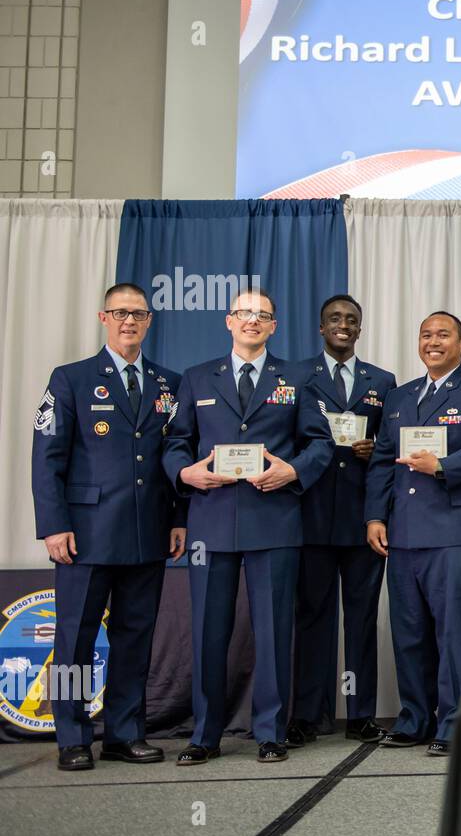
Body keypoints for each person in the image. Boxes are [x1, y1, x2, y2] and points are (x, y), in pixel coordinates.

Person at [163, 288, 334, 764]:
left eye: (263, 315)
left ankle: (270, 732)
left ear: (274, 326)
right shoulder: (197, 379)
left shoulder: (298, 378)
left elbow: (319, 443)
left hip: (274, 519)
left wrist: (294, 470)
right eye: (244, 314)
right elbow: (177, 440)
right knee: (208, 632)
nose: (252, 321)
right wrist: (185, 472)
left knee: (275, 631)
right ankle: (204, 735)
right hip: (212, 520)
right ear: (228, 321)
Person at [31, 283, 186, 771]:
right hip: (87, 534)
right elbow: (46, 459)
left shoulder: (169, 383)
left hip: (148, 532)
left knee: (135, 638)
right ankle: (71, 736)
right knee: (73, 640)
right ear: (103, 317)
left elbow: (177, 456)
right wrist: (54, 525)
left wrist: (178, 518)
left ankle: (124, 732)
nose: (128, 322)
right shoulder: (70, 379)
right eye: (120, 313)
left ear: (149, 321)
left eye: (137, 314)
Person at [365, 312, 461, 756]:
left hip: (458, 532)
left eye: (442, 334)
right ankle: (414, 717)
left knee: (457, 634)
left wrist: (445, 466)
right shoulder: (400, 396)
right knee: (409, 632)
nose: (433, 341)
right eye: (426, 334)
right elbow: (382, 461)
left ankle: (455, 723)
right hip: (405, 533)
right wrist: (375, 515)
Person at [288, 294, 395, 746]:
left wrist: (376, 451)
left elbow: (392, 446)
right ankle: (309, 716)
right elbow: (286, 438)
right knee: (312, 617)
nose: (343, 325)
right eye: (334, 318)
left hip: (362, 518)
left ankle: (362, 714)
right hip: (309, 517)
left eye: (352, 319)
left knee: (362, 618)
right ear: (321, 327)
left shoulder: (383, 381)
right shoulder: (295, 378)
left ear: (360, 328)